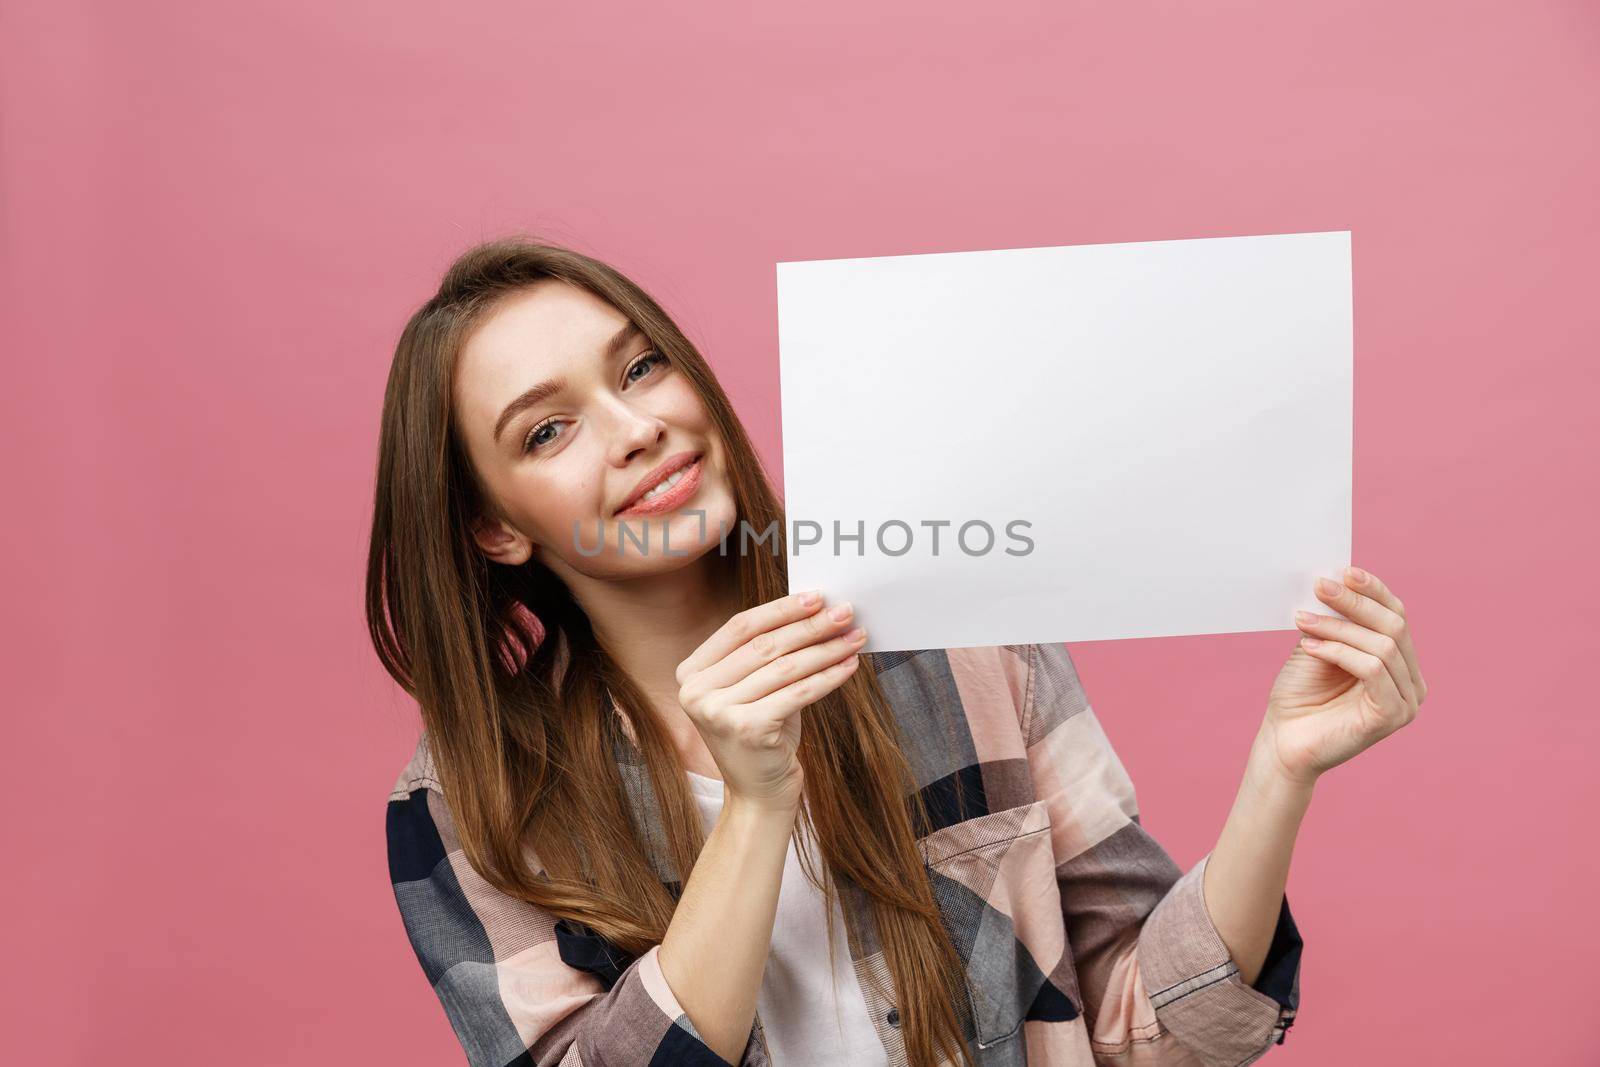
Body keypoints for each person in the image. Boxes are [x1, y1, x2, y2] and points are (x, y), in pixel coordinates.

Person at [368, 236, 1428, 1067]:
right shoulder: (465, 805)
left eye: (640, 366)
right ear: (495, 527)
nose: (635, 426)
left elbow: (1160, 1033)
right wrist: (752, 805)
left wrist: (1279, 770)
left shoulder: (963, 643)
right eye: (546, 431)